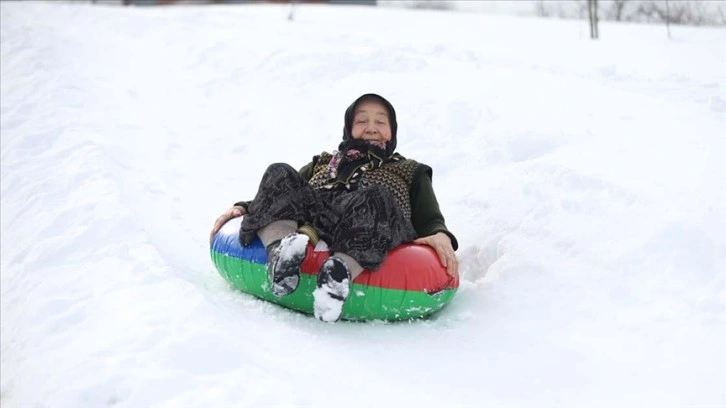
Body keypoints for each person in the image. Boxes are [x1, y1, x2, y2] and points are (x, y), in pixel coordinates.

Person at [210, 93, 458, 322]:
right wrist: (244, 207)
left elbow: (429, 216)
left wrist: (439, 234)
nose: (371, 127)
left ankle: (337, 275)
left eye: (381, 122)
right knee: (279, 171)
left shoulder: (410, 170)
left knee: (376, 197)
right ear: (349, 128)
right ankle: (280, 254)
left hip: (370, 220)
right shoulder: (324, 162)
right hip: (317, 214)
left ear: (392, 132)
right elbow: (284, 190)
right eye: (362, 121)